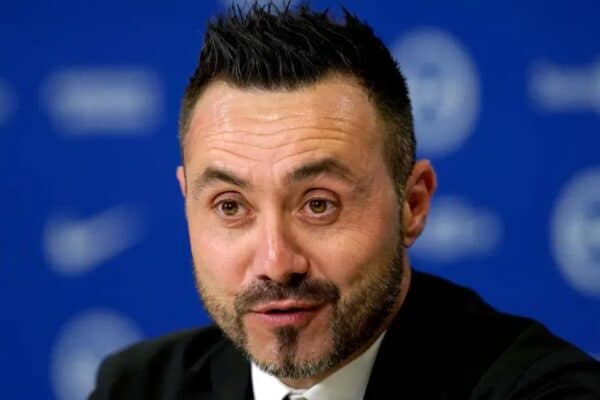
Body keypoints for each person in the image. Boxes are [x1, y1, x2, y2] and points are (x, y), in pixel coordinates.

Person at [89, 3, 600, 399]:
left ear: (412, 204)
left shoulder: (542, 390)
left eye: (318, 204)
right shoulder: (136, 387)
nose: (275, 263)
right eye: (230, 206)